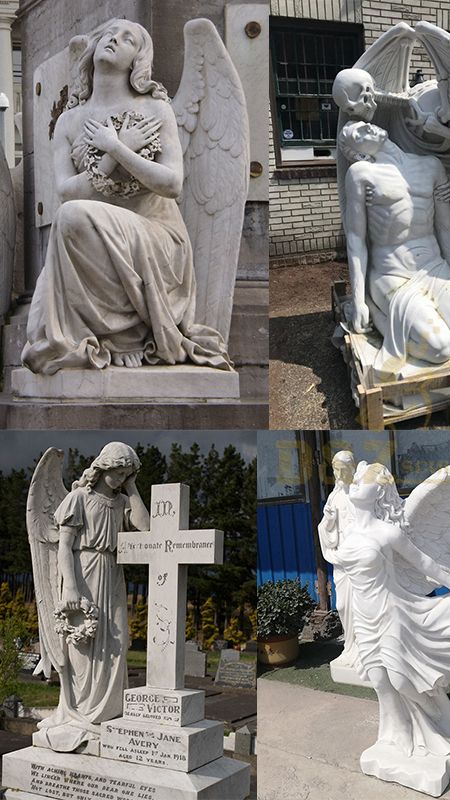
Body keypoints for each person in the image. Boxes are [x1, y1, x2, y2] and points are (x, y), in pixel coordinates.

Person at [22, 19, 232, 374]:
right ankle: (107, 335)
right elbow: (65, 191)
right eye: (108, 34)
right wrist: (111, 153)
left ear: (139, 58)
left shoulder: (156, 110)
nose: (114, 40)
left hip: (157, 238)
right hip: (94, 234)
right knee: (70, 218)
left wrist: (120, 150)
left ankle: (127, 338)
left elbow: (172, 184)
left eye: (127, 38)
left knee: (73, 218)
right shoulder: (70, 121)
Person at [326, 461, 450, 758]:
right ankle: (399, 736)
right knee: (380, 683)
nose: (357, 482)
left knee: (402, 680)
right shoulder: (347, 533)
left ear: (378, 493)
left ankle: (443, 725)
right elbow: (334, 556)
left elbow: (423, 563)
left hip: (391, 613)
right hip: (363, 617)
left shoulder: (386, 533)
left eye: (365, 480)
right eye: (357, 478)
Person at [339, 119, 450, 378]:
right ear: (359, 153)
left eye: (363, 123)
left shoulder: (431, 165)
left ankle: (416, 317)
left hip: (433, 269)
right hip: (391, 274)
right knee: (440, 349)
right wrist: (359, 300)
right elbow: (356, 239)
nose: (367, 127)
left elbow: (445, 229)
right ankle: (377, 311)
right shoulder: (362, 174)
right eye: (358, 134)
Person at [34, 442, 149, 752]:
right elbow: (63, 547)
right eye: (118, 472)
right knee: (83, 647)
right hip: (83, 573)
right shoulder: (78, 498)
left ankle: (108, 714)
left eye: (127, 473)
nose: (122, 477)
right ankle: (83, 714)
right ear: (103, 468)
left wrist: (133, 487)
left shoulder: (123, 501)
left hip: (112, 574)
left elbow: (147, 528)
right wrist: (69, 587)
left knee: (117, 641)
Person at [317, 451, 359, 674]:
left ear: (351, 469)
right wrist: (329, 520)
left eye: (343, 469)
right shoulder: (335, 496)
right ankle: (350, 645)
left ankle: (364, 649)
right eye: (336, 470)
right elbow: (325, 527)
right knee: (342, 605)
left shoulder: (360, 493)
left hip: (360, 559)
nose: (339, 474)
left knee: (361, 605)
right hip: (341, 557)